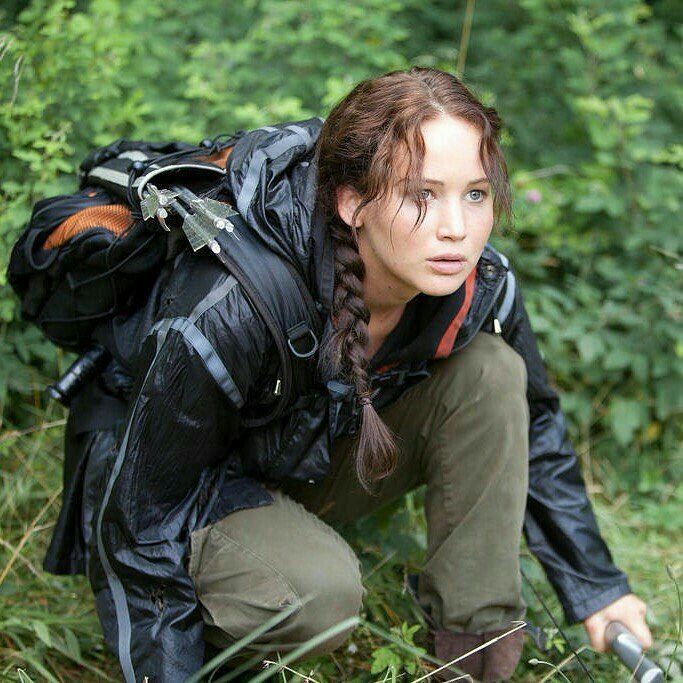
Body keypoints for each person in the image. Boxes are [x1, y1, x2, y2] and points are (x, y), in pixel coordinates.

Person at [44, 67, 651, 682]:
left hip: (297, 457)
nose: (456, 229)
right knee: (320, 598)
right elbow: (143, 520)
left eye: (475, 194)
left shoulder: (478, 283)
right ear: (351, 201)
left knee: (494, 372)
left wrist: (597, 588)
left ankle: (473, 663)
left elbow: (538, 425)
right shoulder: (236, 299)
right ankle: (243, 629)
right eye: (422, 194)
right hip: (177, 485)